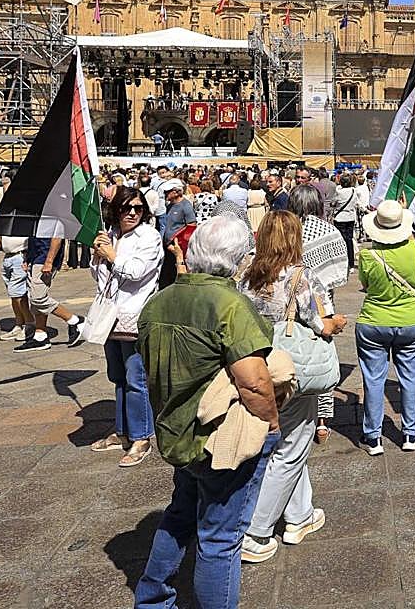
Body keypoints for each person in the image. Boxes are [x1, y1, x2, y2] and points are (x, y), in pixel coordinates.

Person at [135, 216, 280, 609]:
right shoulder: (230, 304)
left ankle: (151, 599)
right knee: (220, 537)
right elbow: (253, 382)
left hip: (177, 429)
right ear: (237, 260)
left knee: (180, 514)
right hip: (220, 437)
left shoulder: (159, 302)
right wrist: (271, 422)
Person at [238, 210, 343, 562]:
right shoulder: (301, 277)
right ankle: (256, 530)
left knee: (288, 445)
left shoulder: (246, 275)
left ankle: (300, 516)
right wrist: (337, 321)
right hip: (293, 372)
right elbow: (321, 324)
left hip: (255, 366)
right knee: (288, 450)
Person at [87, 187, 163, 467]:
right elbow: (100, 277)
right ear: (115, 210)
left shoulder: (149, 236)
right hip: (110, 316)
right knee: (117, 376)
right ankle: (122, 431)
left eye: (138, 208)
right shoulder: (112, 235)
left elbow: (135, 272)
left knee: (136, 378)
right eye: (126, 208)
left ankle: (141, 437)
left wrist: (110, 255)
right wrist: (98, 257)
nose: (132, 213)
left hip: (134, 314)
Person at [354, 200, 415, 453]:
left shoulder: (367, 255)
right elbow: (410, 236)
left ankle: (373, 436)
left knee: (373, 380)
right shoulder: (413, 248)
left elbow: (365, 285)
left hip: (374, 320)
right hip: (411, 320)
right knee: (410, 378)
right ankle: (410, 433)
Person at [287, 184, 347, 445]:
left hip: (290, 300)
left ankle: (294, 411)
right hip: (324, 304)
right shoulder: (328, 230)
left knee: (292, 353)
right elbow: (339, 271)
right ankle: (322, 423)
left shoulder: (289, 231)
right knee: (321, 354)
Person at [12, 230, 84, 352]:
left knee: (38, 297)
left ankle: (74, 320)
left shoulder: (51, 212)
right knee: (35, 298)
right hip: (35, 258)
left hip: (44, 259)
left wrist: (49, 262)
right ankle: (40, 336)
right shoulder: (36, 213)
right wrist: (28, 258)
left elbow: (57, 236)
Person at [0, 232, 33, 341]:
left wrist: (30, 259)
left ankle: (30, 324)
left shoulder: (26, 217)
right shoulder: (4, 218)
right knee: (13, 295)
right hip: (8, 258)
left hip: (21, 256)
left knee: (18, 294)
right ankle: (19, 325)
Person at [331, 173, 358, 273]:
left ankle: (342, 263)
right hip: (350, 217)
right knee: (349, 240)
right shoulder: (354, 191)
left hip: (340, 218)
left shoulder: (339, 192)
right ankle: (351, 264)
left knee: (340, 241)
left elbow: (333, 203)